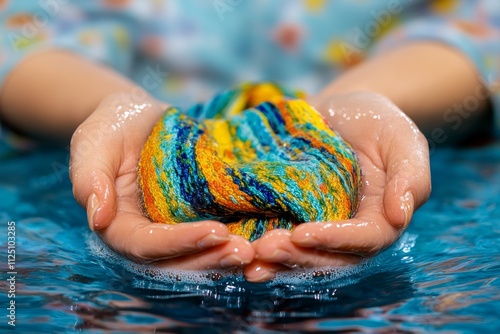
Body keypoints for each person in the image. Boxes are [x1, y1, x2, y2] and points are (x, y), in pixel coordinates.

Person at [0, 1, 497, 282]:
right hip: (72, 154)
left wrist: (355, 103)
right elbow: (18, 31)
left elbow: (477, 23)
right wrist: (111, 105)